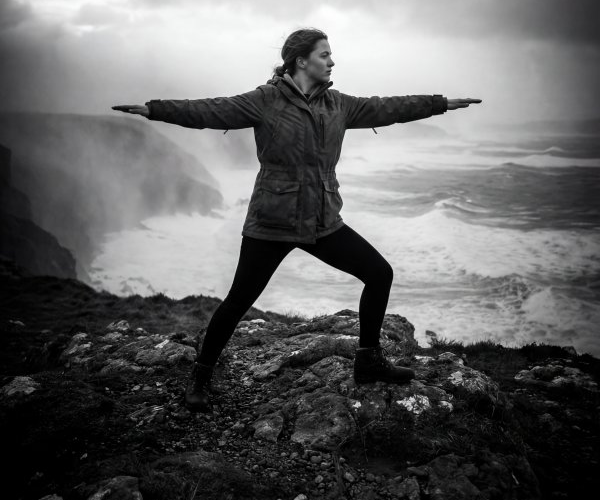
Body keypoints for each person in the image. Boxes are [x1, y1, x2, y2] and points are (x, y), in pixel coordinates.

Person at [113, 28, 481, 412]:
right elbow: (210, 109)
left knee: (379, 273)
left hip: (322, 221)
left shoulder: (339, 105)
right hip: (272, 222)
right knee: (239, 301)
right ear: (301, 60)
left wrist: (441, 103)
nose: (332, 61)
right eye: (325, 55)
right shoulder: (265, 101)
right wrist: (155, 109)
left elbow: (389, 107)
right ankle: (201, 377)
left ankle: (369, 361)